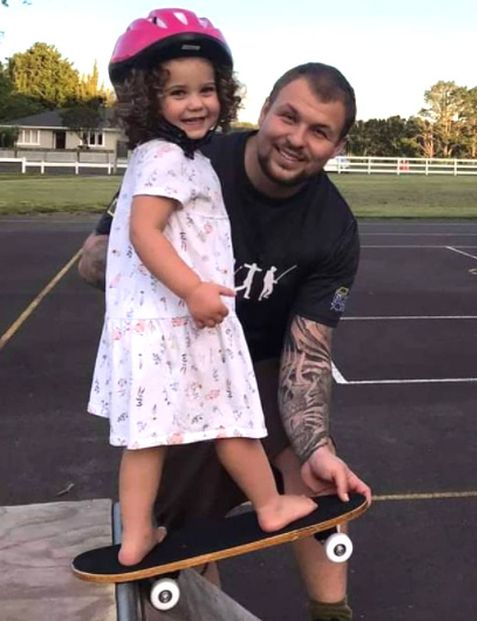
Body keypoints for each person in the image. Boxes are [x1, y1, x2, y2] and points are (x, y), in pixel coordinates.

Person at [80, 52, 372, 621]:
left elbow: (307, 355)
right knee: (189, 528)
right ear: (263, 111)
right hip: (176, 348)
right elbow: (98, 260)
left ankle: (331, 613)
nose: (297, 139)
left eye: (320, 132)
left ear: (337, 147)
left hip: (254, 360)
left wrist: (316, 445)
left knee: (318, 483)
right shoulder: (189, 154)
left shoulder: (334, 228)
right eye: (289, 117)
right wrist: (162, 273)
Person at [90, 7, 317, 567]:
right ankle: (269, 504)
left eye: (207, 89)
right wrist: (194, 290)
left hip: (156, 326)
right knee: (232, 417)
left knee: (148, 437)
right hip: (181, 320)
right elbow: (145, 230)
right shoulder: (168, 159)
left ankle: (138, 535)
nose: (197, 103)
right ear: (148, 100)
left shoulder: (171, 157)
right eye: (177, 93)